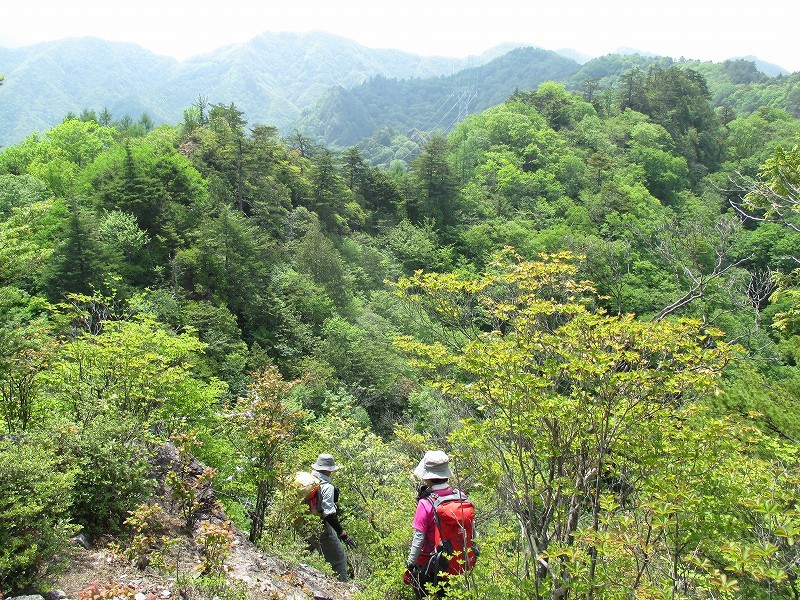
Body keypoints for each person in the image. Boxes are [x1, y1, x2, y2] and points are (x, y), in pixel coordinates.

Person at [405, 450, 475, 598]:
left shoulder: (425, 502)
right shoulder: (461, 496)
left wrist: (410, 565)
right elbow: (471, 531)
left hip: (429, 564)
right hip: (458, 562)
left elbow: (418, 539)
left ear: (427, 477)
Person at [310, 453, 356, 582]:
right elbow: (329, 514)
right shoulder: (327, 487)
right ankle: (341, 590)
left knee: (303, 554)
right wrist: (343, 534)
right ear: (328, 470)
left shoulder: (310, 480)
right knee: (339, 560)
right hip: (321, 528)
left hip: (303, 525)